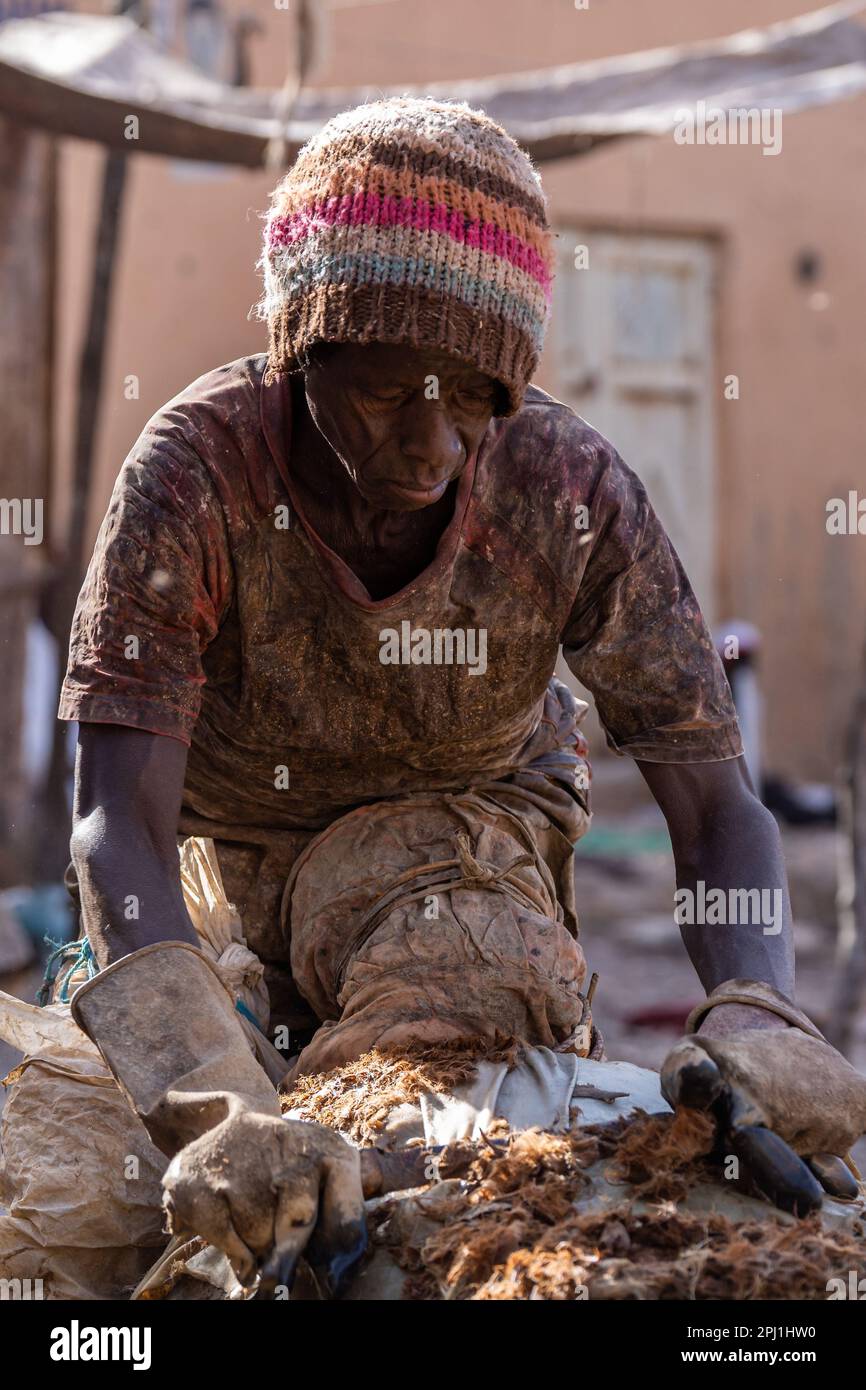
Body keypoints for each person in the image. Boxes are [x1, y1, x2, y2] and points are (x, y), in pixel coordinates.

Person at [57, 97, 863, 1296]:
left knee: (463, 1050)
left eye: (474, 394)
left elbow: (717, 810)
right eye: (388, 392)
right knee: (167, 1184)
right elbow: (114, 819)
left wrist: (759, 1013)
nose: (433, 445)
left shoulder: (566, 489)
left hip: (473, 859)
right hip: (237, 870)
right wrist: (212, 1097)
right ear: (304, 348)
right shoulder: (194, 477)